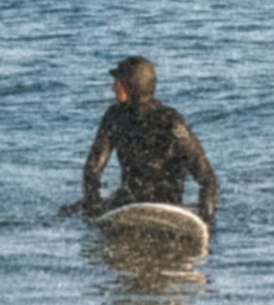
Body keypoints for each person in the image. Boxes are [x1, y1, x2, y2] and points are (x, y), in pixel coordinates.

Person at [79, 55, 218, 228]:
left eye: (118, 82)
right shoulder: (117, 116)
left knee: (75, 213)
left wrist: (204, 224)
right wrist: (94, 204)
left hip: (167, 207)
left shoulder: (170, 123)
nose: (113, 87)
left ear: (127, 88)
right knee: (68, 211)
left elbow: (207, 180)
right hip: (128, 202)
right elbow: (92, 169)